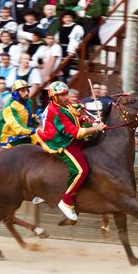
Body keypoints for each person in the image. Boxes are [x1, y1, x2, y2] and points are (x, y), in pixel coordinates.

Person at [36, 81, 106, 221]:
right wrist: (95, 129)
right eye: (62, 95)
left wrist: (93, 122)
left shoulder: (65, 104)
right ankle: (66, 202)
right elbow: (74, 132)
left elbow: (78, 118)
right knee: (81, 170)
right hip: (60, 142)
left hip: (67, 137)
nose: (65, 96)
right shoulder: (55, 111)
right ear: (54, 97)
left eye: (66, 93)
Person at [0, 80, 37, 147]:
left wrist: (35, 118)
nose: (27, 93)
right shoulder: (9, 106)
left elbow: (26, 115)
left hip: (24, 134)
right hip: (9, 137)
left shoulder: (28, 101)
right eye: (23, 91)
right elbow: (18, 128)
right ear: (15, 92)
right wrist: (35, 130)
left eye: (27, 90)